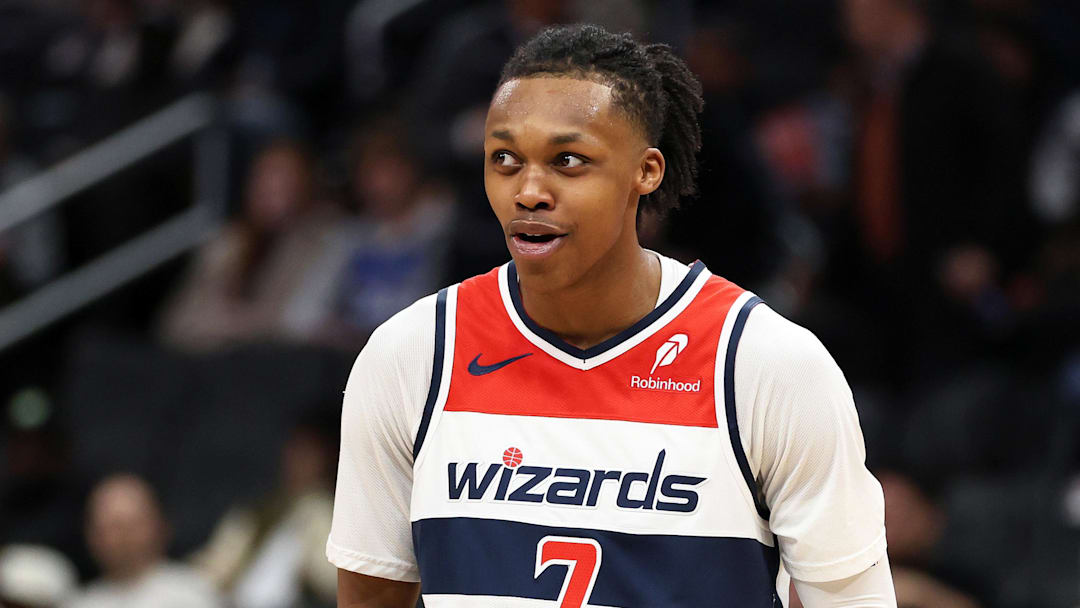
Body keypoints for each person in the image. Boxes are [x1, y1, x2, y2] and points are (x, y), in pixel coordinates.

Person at [328, 24, 895, 607]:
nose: (529, 191)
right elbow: (371, 597)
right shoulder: (411, 355)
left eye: (567, 160)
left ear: (645, 171)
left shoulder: (767, 365)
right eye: (505, 158)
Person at [66, 474, 221, 608]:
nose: (122, 538)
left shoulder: (193, 595)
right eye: (111, 527)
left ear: (160, 526)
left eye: (131, 525)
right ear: (91, 535)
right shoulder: (79, 603)